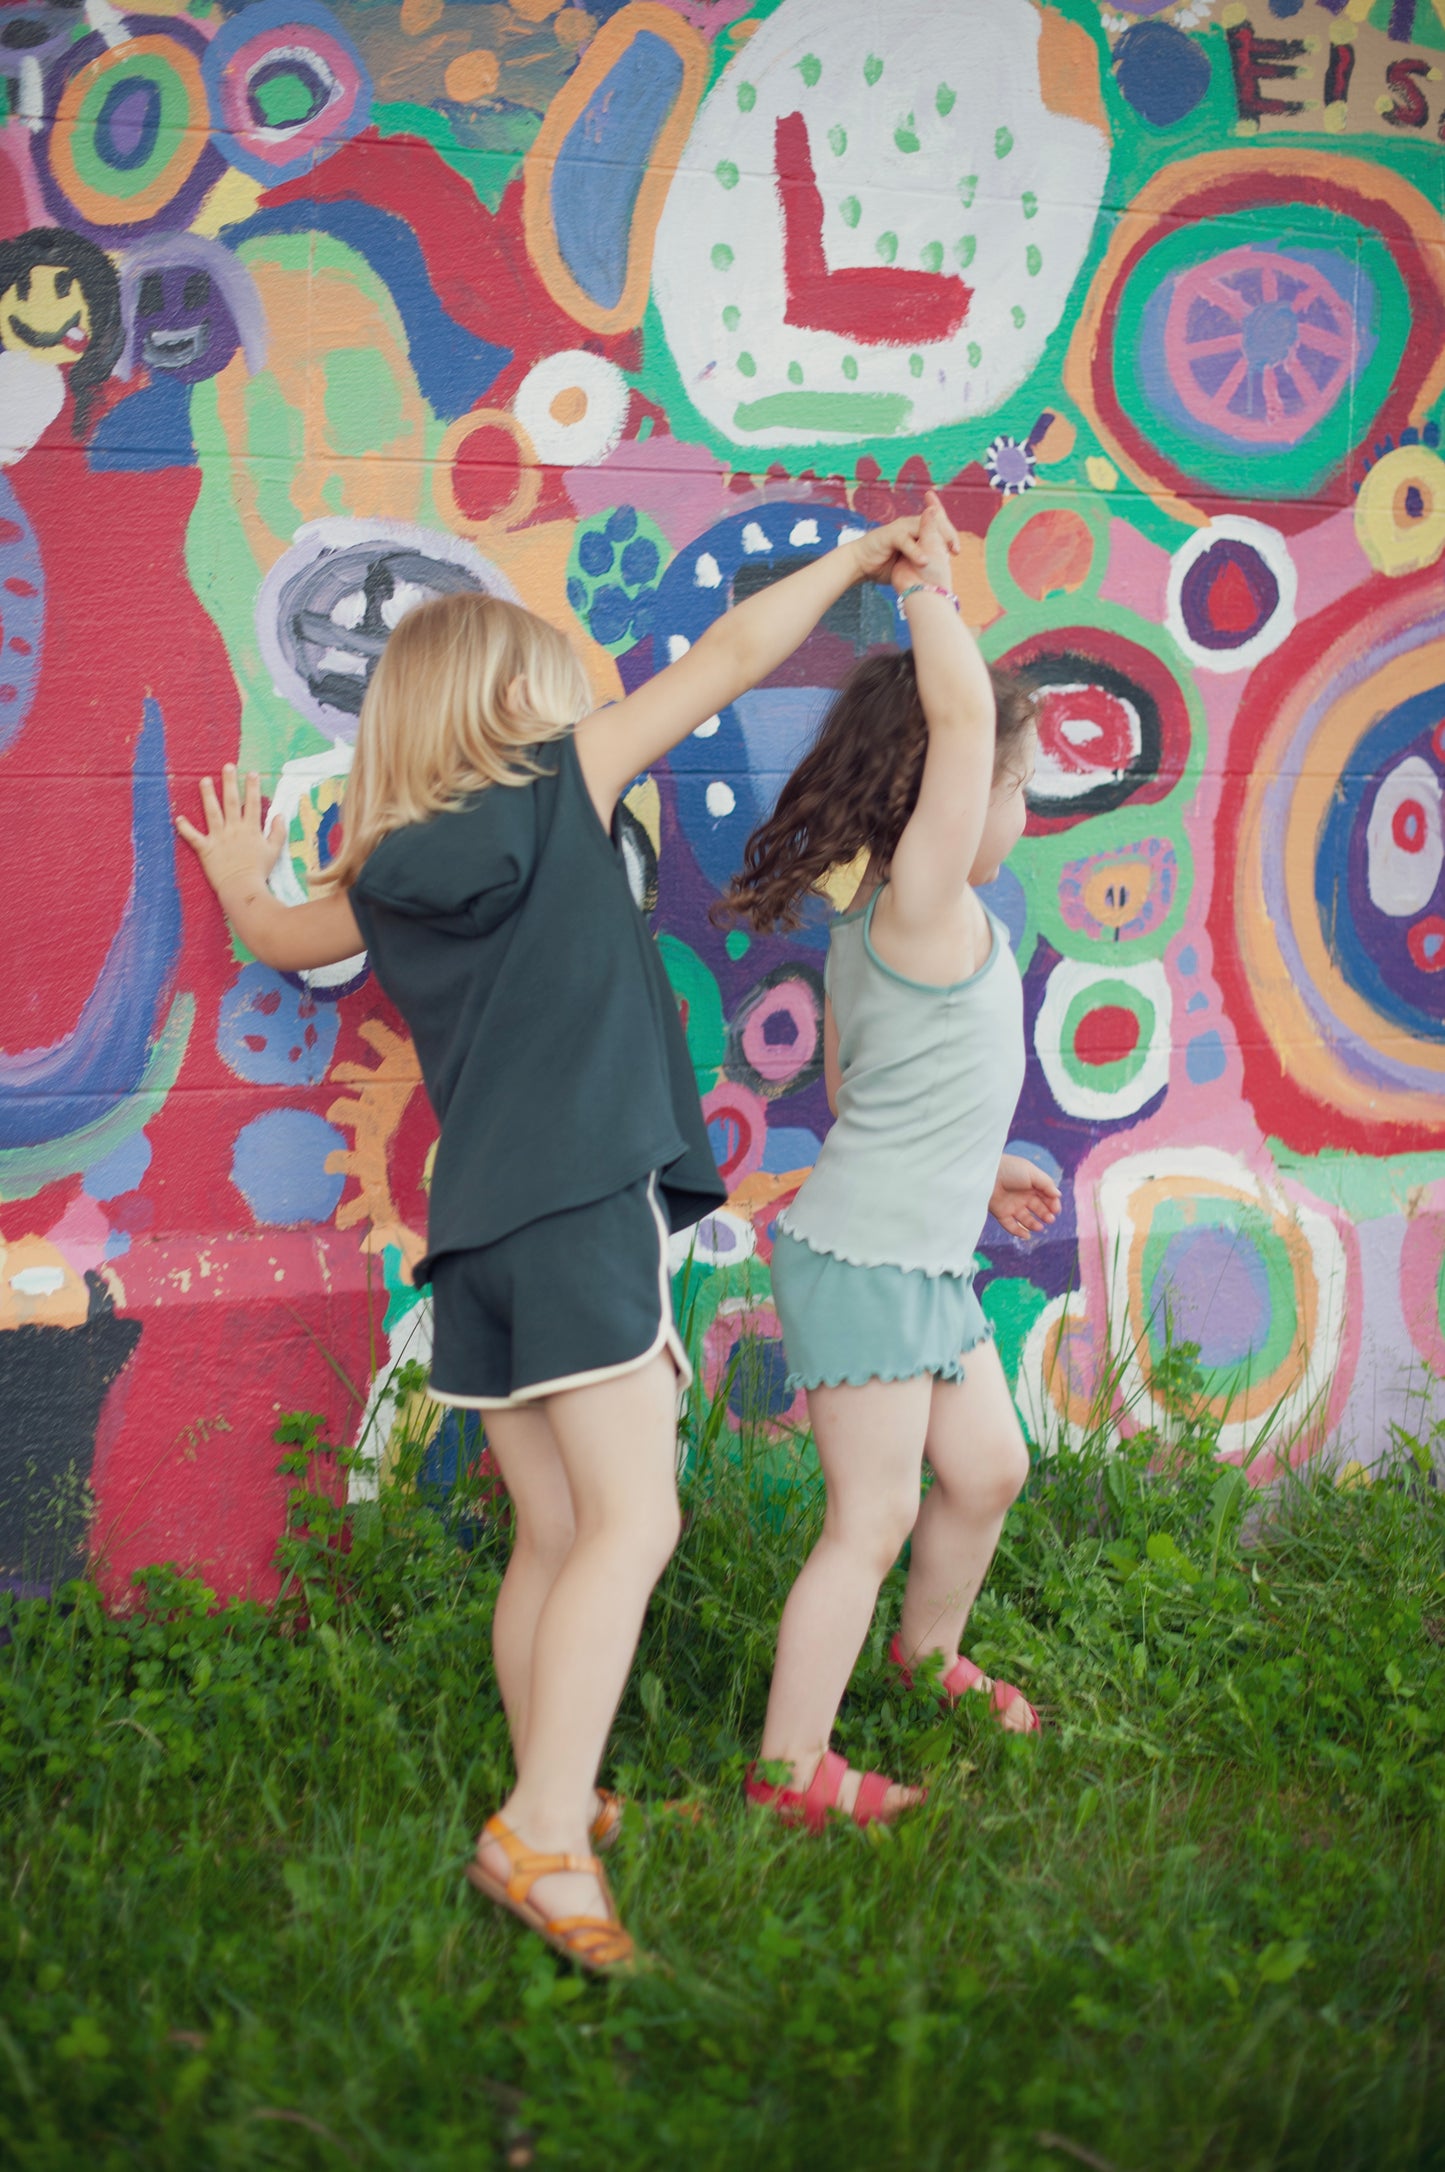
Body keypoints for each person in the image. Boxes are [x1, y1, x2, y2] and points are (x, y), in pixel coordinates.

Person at [176, 517, 933, 1966]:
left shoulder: (388, 873)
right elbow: (724, 657)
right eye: (548, 687)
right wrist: (850, 567)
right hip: (584, 1200)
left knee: (554, 1531)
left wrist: (235, 875)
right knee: (632, 1522)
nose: (571, 707)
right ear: (510, 709)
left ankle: (561, 1795)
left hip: (473, 1235)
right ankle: (534, 1830)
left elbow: (282, 939)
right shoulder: (551, 785)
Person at [720, 490, 1060, 1835]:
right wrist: (929, 588)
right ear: (947, 792)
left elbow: (869, 1091)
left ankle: (922, 1657)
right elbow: (965, 716)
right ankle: (789, 1770)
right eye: (1010, 789)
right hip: (866, 1265)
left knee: (985, 1470)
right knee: (864, 1521)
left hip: (915, 1250)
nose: (1014, 809)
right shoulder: (921, 902)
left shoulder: (901, 918)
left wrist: (974, 1179)